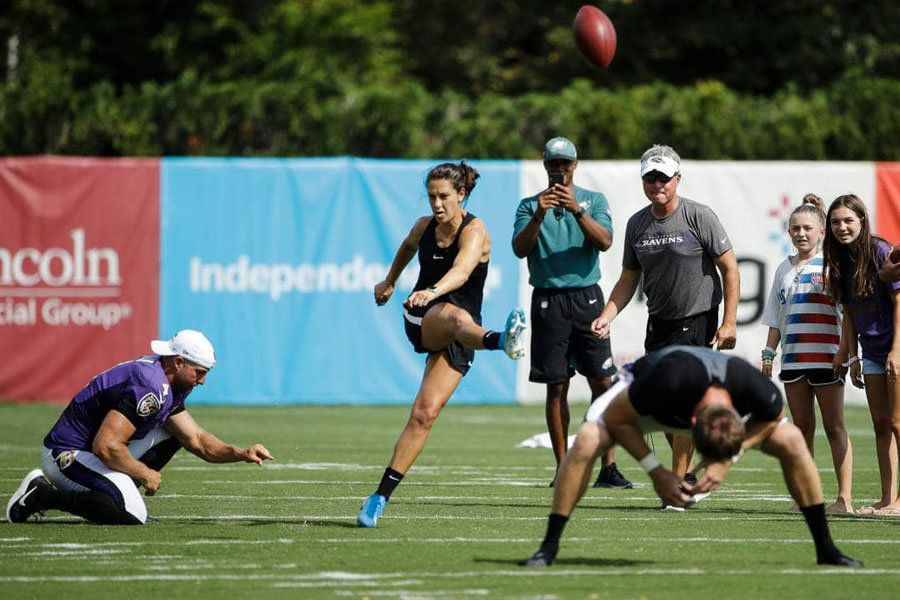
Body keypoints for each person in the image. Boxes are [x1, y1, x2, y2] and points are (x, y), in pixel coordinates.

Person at [519, 345, 863, 568]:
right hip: (640, 401)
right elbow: (617, 420)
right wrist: (656, 471)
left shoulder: (754, 389)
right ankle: (548, 547)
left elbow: (773, 419)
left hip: (709, 404)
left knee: (790, 439)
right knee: (588, 439)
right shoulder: (667, 382)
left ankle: (826, 549)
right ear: (692, 423)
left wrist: (727, 460)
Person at [356, 161, 527, 528]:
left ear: (461, 194)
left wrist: (432, 289)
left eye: (444, 196)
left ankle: (378, 497)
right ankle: (501, 341)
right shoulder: (424, 226)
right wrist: (390, 282)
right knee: (454, 318)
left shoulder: (475, 230)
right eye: (432, 196)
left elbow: (462, 272)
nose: (436, 203)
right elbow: (407, 246)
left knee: (424, 414)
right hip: (424, 319)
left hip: (461, 331)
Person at [591, 144, 740, 500]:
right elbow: (629, 278)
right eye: (650, 177)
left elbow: (730, 267)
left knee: (684, 403)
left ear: (677, 178)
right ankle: (687, 472)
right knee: (663, 407)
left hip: (697, 321)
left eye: (663, 177)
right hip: (659, 325)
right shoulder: (637, 224)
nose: (657, 183)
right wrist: (607, 315)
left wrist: (729, 321)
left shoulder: (698, 216)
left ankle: (676, 488)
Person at [6, 330, 273, 525]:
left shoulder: (168, 380)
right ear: (178, 362)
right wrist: (144, 473)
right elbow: (106, 446)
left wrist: (241, 453)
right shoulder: (151, 385)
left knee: (174, 434)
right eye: (199, 372)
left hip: (91, 450)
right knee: (133, 513)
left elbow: (198, 440)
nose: (202, 381)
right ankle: (40, 495)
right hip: (68, 454)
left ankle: (114, 496)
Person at [512, 136, 631, 489]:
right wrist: (540, 213)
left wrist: (576, 209)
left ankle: (608, 467)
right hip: (548, 299)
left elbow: (605, 241)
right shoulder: (529, 205)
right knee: (556, 386)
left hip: (586, 298)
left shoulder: (594, 201)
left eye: (565, 164)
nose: (559, 170)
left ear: (575, 166)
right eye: (553, 164)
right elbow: (520, 249)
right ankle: (563, 466)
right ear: (545, 166)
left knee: (603, 383)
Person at [760, 194, 853, 513]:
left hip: (828, 360)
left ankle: (844, 500)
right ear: (788, 233)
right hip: (794, 361)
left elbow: (848, 312)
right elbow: (776, 316)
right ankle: (808, 498)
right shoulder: (783, 269)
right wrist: (769, 354)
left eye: (808, 228)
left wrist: (846, 354)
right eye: (795, 228)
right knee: (802, 430)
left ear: (822, 232)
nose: (801, 233)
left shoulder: (833, 263)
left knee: (835, 427)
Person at [823, 194, 900, 515]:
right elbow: (850, 312)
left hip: (894, 349)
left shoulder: (882, 252)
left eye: (848, 220)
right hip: (870, 352)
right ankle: (886, 499)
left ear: (862, 221)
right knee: (881, 425)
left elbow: (899, 303)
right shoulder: (840, 259)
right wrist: (851, 355)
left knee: (898, 422)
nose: (842, 227)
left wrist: (897, 350)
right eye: (836, 222)